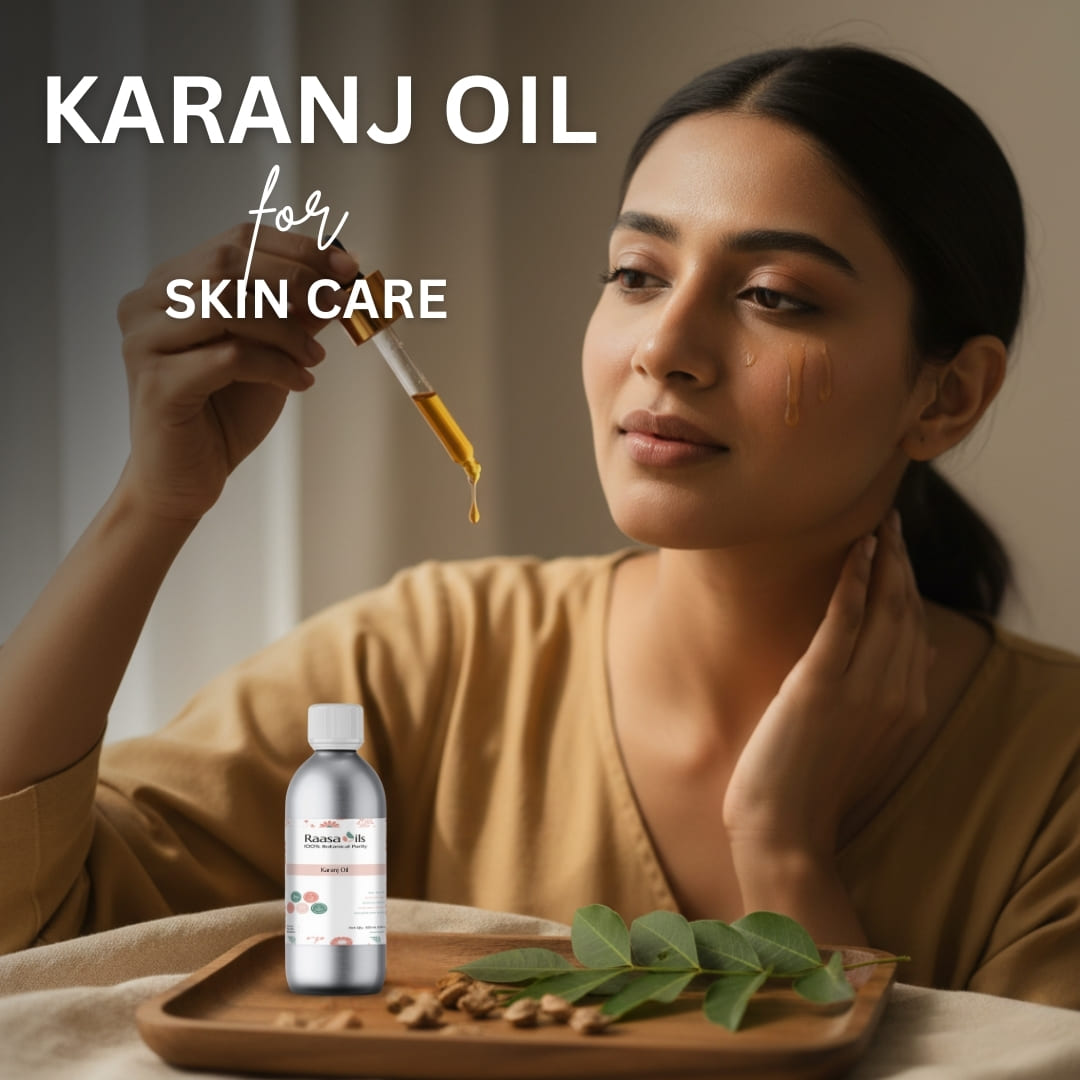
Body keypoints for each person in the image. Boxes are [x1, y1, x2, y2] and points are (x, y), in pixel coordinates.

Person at [2, 44, 1078, 1009]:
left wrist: (787, 853)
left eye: (773, 296)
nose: (664, 346)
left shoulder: (1054, 775)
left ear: (946, 396)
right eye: (636, 275)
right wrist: (153, 501)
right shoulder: (428, 662)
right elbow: (35, 932)